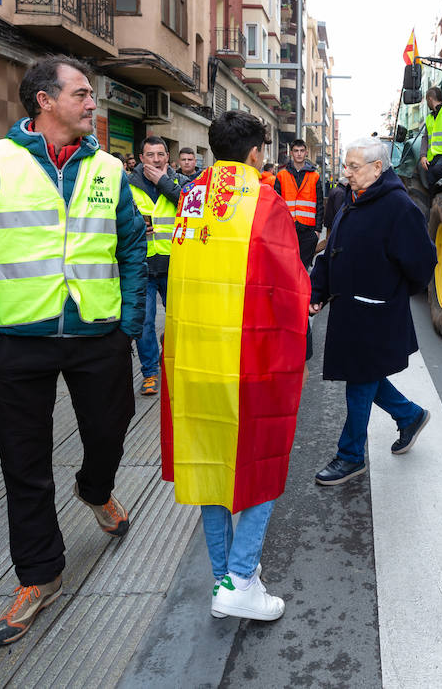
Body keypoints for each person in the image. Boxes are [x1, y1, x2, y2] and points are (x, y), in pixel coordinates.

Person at [0, 55, 146, 646]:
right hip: (15, 344)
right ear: (44, 101)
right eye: (82, 93)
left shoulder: (109, 168)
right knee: (23, 465)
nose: (92, 103)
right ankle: (40, 574)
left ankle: (95, 487)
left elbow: (132, 246)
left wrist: (128, 323)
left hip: (98, 336)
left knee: (109, 432)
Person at [161, 110, 311, 621]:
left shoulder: (191, 197)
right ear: (254, 153)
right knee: (259, 463)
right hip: (250, 359)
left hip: (194, 358)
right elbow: (286, 283)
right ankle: (242, 577)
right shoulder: (264, 199)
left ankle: (225, 579)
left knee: (210, 467)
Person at [310, 137, 438, 486]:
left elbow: (423, 263)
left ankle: (350, 456)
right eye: (346, 165)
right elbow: (332, 249)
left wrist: (392, 294)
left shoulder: (399, 206)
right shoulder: (352, 199)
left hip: (377, 313)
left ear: (377, 168)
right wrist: (318, 291)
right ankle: (409, 416)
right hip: (351, 311)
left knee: (360, 380)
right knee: (363, 376)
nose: (346, 173)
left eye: (354, 167)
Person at [128, 134, 187, 397]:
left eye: (160, 154)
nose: (155, 159)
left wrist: (162, 181)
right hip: (142, 265)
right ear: (141, 158)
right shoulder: (128, 184)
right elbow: (118, 219)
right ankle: (150, 372)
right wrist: (136, 223)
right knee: (144, 323)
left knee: (179, 322)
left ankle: (176, 364)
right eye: (150, 155)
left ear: (167, 157)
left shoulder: (181, 181)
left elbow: (189, 207)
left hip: (175, 263)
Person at [275, 138, 324, 268]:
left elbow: (319, 204)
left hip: (308, 230)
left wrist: (317, 230)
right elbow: (276, 204)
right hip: (287, 228)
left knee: (303, 268)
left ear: (306, 152)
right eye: (296, 151)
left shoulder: (314, 176)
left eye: (302, 151)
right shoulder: (281, 175)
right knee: (288, 267)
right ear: (291, 153)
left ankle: (303, 289)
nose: (299, 154)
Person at [419, 87, 442, 189]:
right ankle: (434, 201)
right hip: (433, 157)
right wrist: (423, 156)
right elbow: (425, 138)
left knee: (437, 170)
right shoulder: (429, 118)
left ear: (430, 99)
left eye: (427, 101)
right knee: (430, 180)